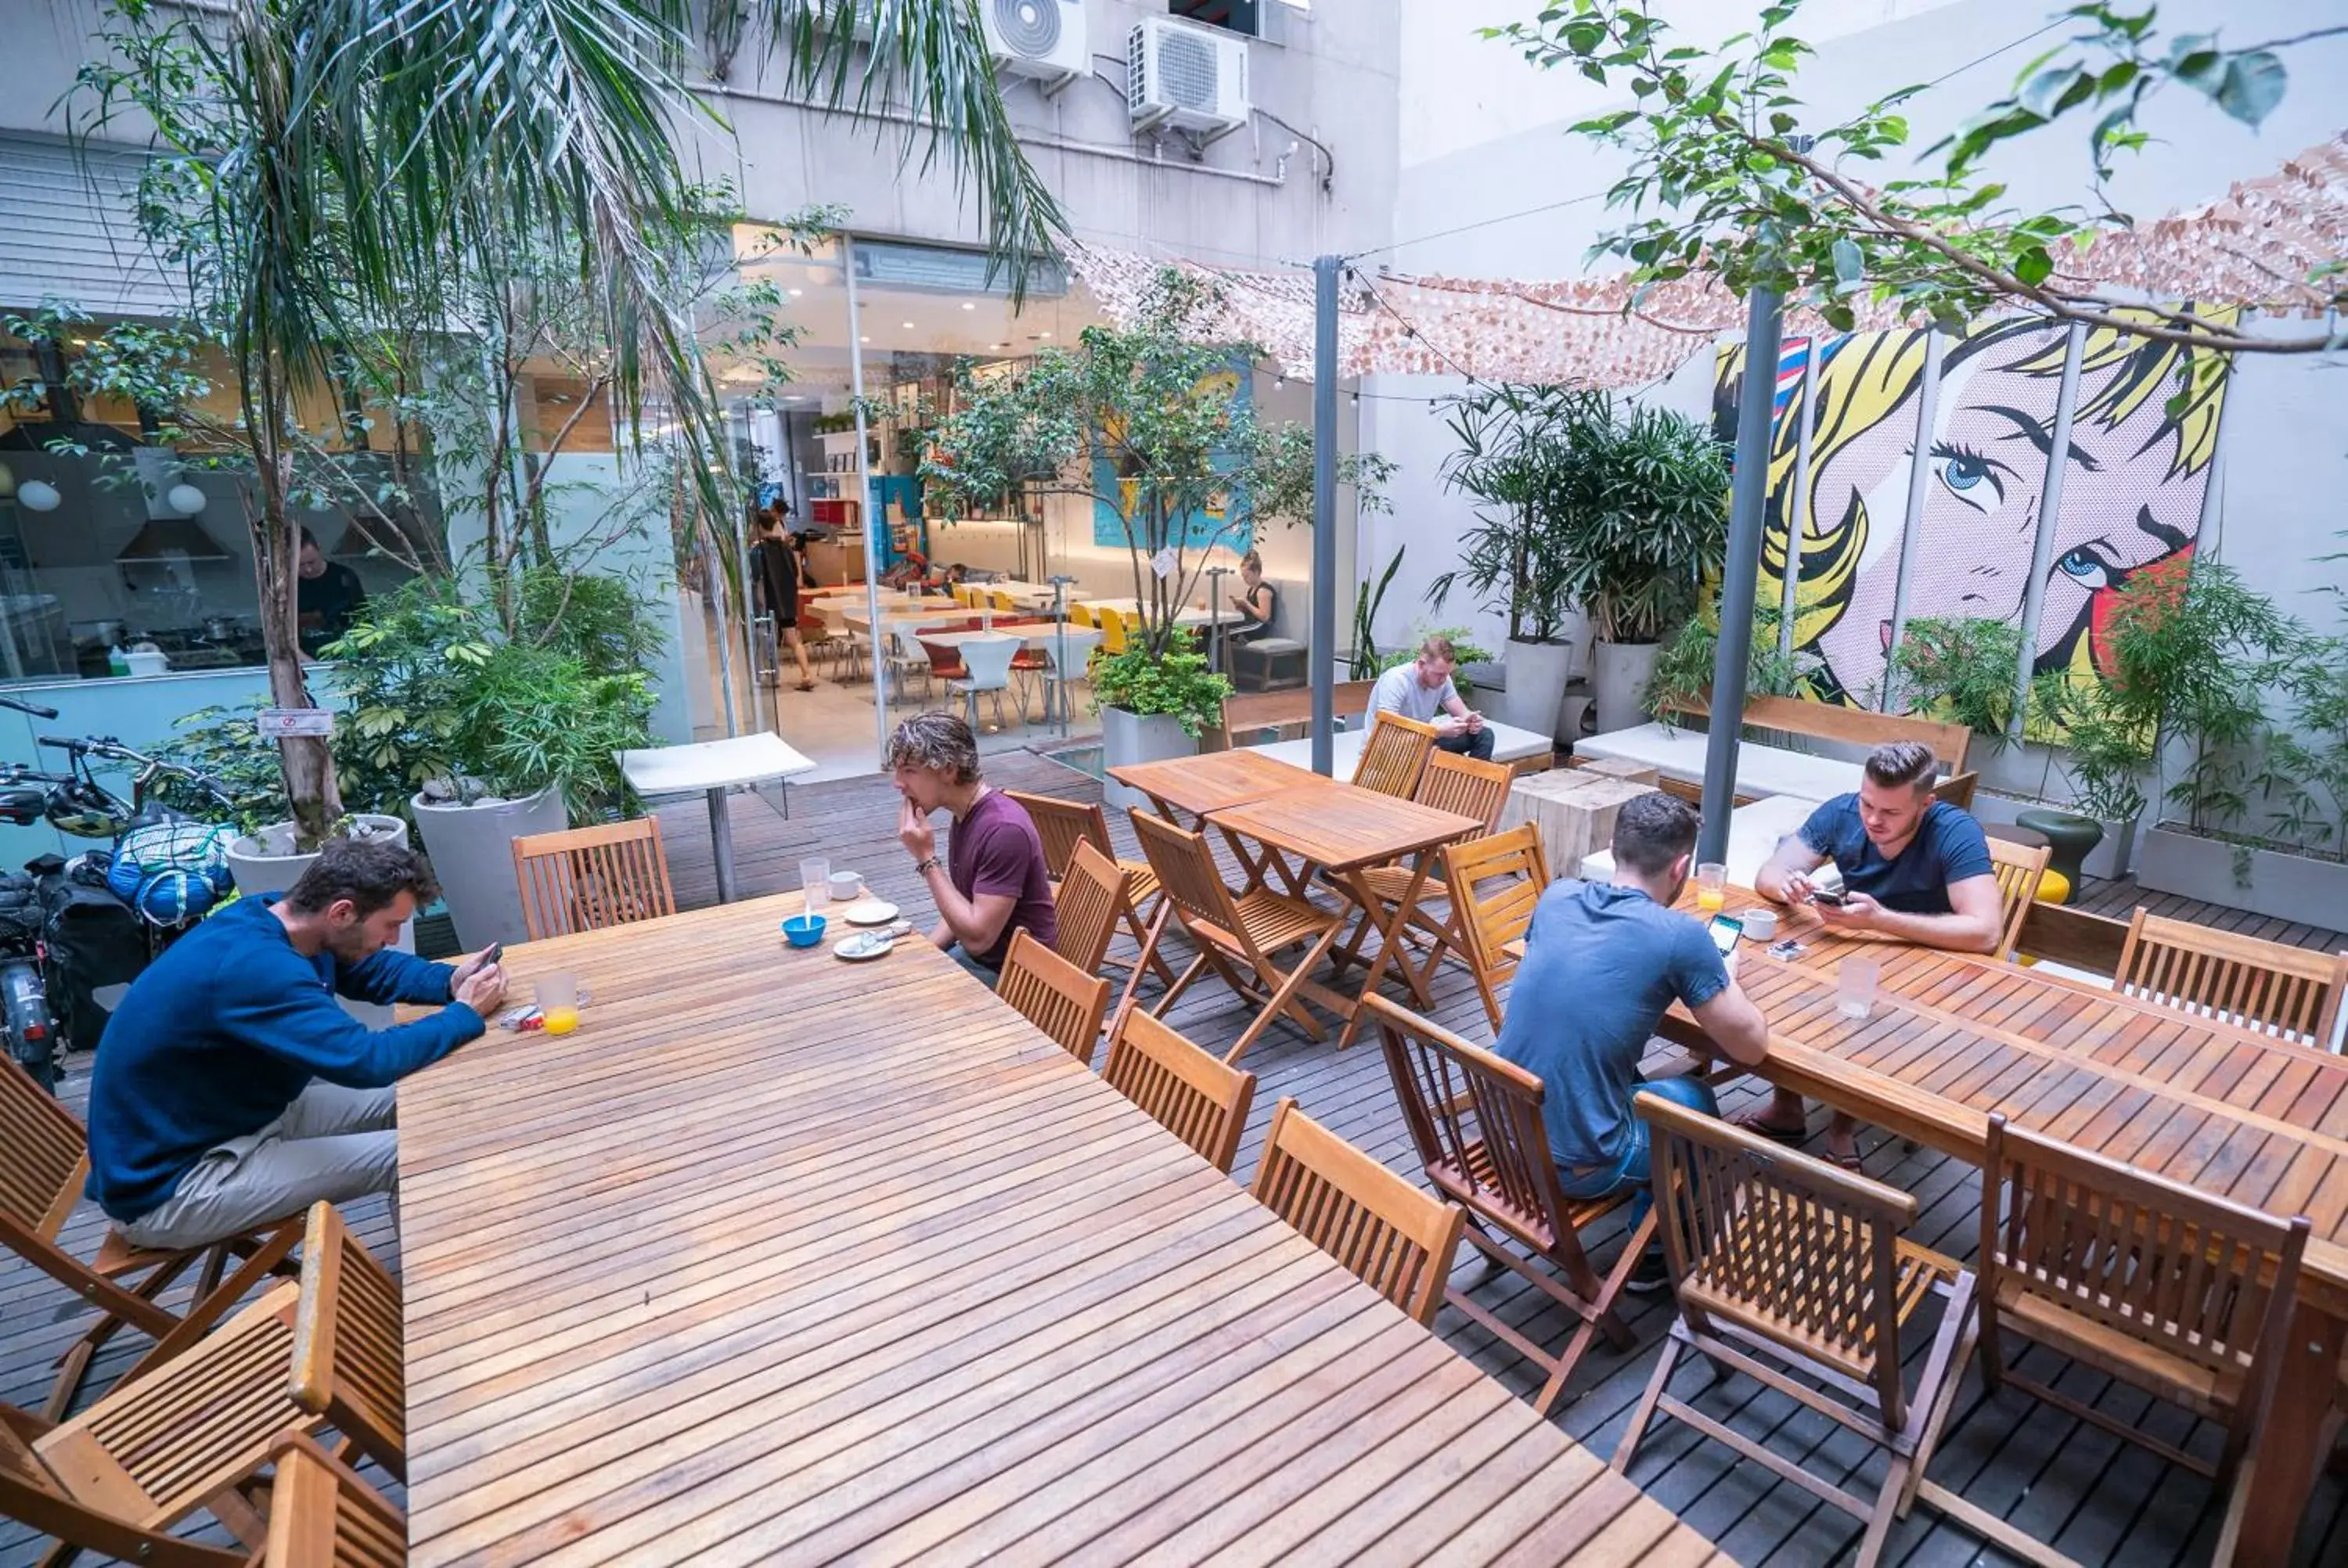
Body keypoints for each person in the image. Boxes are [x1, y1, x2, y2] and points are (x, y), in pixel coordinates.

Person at [86, 840, 508, 1251]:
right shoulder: (255, 967)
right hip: (176, 1184)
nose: (394, 938)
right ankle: (440, 1295)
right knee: (411, 1156)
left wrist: (448, 983)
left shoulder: (280, 921)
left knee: (425, 1099)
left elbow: (368, 969)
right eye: (391, 925)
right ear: (342, 912)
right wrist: (463, 1015)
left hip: (243, 1118)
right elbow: (366, 1060)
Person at [1495, 792, 1770, 1286]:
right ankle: (1654, 1251)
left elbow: (1581, 988)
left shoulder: (1556, 896)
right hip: (1577, 1166)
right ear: (1682, 867)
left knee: (1628, 1072)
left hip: (1503, 1133)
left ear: (1613, 845)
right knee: (1695, 1100)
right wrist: (1726, 975)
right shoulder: (1680, 937)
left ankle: (1657, 1230)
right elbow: (1750, 1048)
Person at [1738, 739, 2000, 1164]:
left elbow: (1986, 933)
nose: (1874, 820)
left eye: (1891, 812)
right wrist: (1786, 885)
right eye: (1868, 805)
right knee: (1783, 979)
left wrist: (1881, 920)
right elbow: (1769, 872)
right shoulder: (1841, 813)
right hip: (1858, 943)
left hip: (1931, 959)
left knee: (1859, 1007)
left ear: (1926, 803)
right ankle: (1787, 1107)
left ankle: (1844, 1125)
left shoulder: (1955, 831)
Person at [890, 711, 1056, 981]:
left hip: (1018, 979)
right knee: (895, 979)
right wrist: (926, 954)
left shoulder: (1003, 830)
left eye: (909, 770)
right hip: (981, 961)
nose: (898, 783)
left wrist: (926, 859)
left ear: (949, 770)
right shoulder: (964, 813)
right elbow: (964, 904)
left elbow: (979, 939)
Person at [1366, 635, 1494, 761]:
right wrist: (1437, 731)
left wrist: (1472, 721)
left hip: (1420, 743)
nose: (1443, 680)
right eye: (1439, 674)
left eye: (1447, 674)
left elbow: (1463, 714)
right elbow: (1386, 737)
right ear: (1421, 665)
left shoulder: (1443, 679)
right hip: (1387, 751)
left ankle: (1473, 780)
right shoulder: (1396, 681)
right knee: (1443, 763)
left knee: (1484, 735)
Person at [750, 500, 814, 692]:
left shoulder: (759, 551)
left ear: (760, 527)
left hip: (768, 601)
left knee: (767, 639)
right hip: (787, 599)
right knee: (793, 639)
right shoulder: (786, 548)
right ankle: (806, 674)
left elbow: (755, 576)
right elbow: (796, 572)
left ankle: (772, 677)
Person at [295, 528, 368, 653]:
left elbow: (364, 620)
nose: (308, 569)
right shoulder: (288, 585)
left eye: (311, 562)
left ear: (319, 549)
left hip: (345, 651)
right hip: (304, 657)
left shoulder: (344, 577)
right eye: (300, 565)